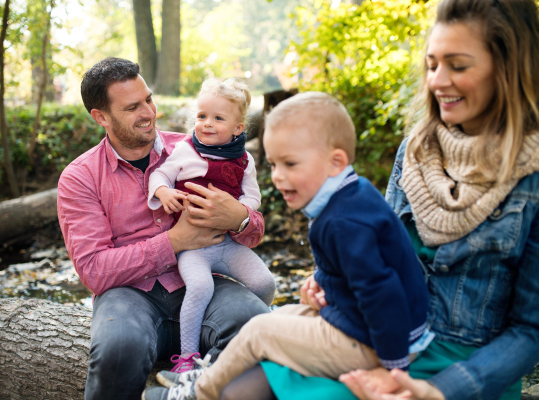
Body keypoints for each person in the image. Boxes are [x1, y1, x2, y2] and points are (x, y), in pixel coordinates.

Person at [223, 0, 539, 399]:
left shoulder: (532, 180)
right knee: (241, 388)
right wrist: (326, 283)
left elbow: (530, 332)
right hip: (381, 336)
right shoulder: (416, 153)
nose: (438, 80)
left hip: (463, 368)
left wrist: (440, 391)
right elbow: (378, 252)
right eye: (432, 64)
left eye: (457, 66)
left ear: (508, 70)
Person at [141, 92, 433, 400]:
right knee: (274, 317)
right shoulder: (352, 194)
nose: (279, 178)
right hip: (370, 326)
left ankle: (199, 393)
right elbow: (358, 267)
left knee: (258, 331)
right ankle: (215, 370)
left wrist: (393, 371)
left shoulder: (343, 222)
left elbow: (381, 291)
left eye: (291, 164)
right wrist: (324, 283)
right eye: (274, 165)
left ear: (335, 162)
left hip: (378, 345)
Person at [56, 57, 271, 400]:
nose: (149, 112)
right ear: (101, 117)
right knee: (119, 348)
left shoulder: (194, 148)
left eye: (148, 99)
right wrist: (175, 241)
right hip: (130, 294)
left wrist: (239, 218)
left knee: (257, 323)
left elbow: (254, 232)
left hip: (205, 281)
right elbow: (95, 271)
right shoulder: (80, 178)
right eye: (132, 108)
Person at [147, 77, 276, 372]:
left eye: (218, 118)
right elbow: (161, 175)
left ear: (237, 128)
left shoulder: (244, 161)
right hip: (192, 247)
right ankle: (188, 357)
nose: (206, 123)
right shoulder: (185, 151)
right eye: (202, 116)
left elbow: (252, 196)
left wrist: (236, 212)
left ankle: (258, 324)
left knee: (264, 282)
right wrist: (163, 192)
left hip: (227, 243)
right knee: (201, 286)